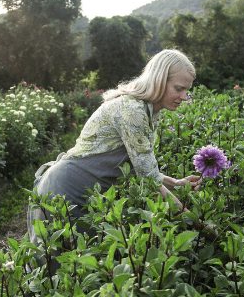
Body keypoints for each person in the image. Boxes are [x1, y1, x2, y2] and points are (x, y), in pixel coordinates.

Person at [28, 49, 201, 243]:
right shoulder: (133, 110)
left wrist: (176, 183)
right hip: (68, 188)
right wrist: (195, 223)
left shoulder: (149, 110)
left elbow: (144, 169)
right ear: (159, 80)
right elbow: (150, 182)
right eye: (179, 88)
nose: (185, 96)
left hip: (87, 190)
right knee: (65, 258)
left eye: (187, 90)